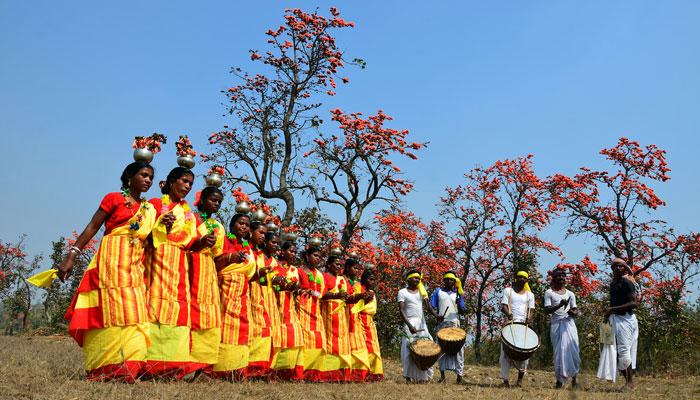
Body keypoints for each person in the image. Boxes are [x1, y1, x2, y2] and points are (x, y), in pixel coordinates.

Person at [60, 161, 156, 382]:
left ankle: (128, 368)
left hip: (134, 265)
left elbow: (150, 240)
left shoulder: (149, 209)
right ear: (129, 177)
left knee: (135, 314)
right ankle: (105, 369)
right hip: (111, 262)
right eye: (143, 175)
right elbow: (92, 227)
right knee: (110, 313)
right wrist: (71, 255)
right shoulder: (114, 198)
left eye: (150, 177)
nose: (148, 180)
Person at [144, 166, 198, 378]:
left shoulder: (189, 214)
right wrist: (160, 226)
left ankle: (173, 366)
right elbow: (142, 232)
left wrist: (203, 242)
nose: (187, 186)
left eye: (191, 184)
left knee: (177, 311)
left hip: (179, 265)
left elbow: (190, 241)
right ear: (171, 181)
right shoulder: (156, 204)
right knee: (155, 307)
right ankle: (150, 364)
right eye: (184, 181)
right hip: (156, 261)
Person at [187, 187, 225, 377]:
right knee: (190, 313)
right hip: (190, 265)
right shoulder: (190, 218)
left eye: (219, 201)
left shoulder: (218, 226)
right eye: (213, 200)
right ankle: (183, 363)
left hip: (209, 270)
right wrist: (200, 243)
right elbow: (183, 242)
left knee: (208, 315)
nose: (216, 204)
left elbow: (219, 255)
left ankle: (203, 367)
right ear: (202, 200)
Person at [212, 212, 255, 380]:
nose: (244, 227)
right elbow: (215, 261)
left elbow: (250, 271)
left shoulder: (247, 246)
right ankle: (220, 369)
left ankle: (237, 369)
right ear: (231, 225)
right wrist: (231, 257)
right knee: (226, 326)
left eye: (247, 225)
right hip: (226, 287)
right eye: (241, 223)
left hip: (243, 290)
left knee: (242, 328)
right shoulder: (225, 240)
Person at [600, 258, 639, 389]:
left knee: (623, 351)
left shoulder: (628, 282)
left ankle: (630, 383)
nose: (617, 268)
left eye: (620, 266)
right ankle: (625, 380)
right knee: (610, 349)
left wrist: (612, 310)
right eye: (614, 267)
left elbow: (634, 303)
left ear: (624, 268)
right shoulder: (613, 283)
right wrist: (608, 315)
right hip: (613, 319)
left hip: (625, 319)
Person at [269, 240, 304, 380]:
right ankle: (271, 371)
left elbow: (301, 288)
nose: (293, 254)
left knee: (295, 338)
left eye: (295, 252)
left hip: (290, 307)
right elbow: (271, 283)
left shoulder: (296, 270)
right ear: (283, 251)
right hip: (276, 306)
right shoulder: (275, 265)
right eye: (291, 251)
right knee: (277, 339)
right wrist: (282, 286)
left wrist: (296, 288)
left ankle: (289, 373)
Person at [246, 221, 275, 378]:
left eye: (265, 233)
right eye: (261, 233)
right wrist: (259, 273)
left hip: (260, 296)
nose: (263, 236)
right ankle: (246, 368)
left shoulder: (259, 254)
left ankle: (258, 369)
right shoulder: (245, 248)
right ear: (251, 231)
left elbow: (263, 280)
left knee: (264, 330)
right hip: (245, 295)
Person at [398, 270, 437, 383]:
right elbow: (401, 310)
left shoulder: (422, 292)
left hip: (421, 323)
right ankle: (408, 377)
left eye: (418, 278)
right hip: (409, 323)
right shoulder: (402, 292)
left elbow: (428, 307)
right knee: (409, 350)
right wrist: (409, 326)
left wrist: (436, 315)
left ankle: (424, 377)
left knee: (426, 349)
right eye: (414, 278)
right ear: (408, 279)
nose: (417, 280)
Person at [544, 269, 580, 389]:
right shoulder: (549, 293)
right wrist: (560, 305)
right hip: (556, 325)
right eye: (558, 276)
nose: (561, 278)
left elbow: (575, 310)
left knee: (573, 351)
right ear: (554, 278)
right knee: (559, 353)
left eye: (563, 276)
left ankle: (574, 380)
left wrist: (572, 312)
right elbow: (547, 309)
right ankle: (559, 381)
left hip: (569, 325)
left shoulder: (570, 294)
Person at [499, 270, 535, 387]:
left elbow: (531, 310)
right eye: (519, 277)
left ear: (526, 281)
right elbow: (503, 306)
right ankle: (505, 381)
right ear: (516, 278)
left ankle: (519, 380)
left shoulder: (530, 295)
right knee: (505, 354)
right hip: (510, 324)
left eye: (524, 278)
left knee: (525, 353)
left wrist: (529, 319)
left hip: (523, 326)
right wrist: (508, 314)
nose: (521, 279)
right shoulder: (508, 291)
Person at [297, 246, 328, 381]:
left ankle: (314, 374)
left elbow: (323, 292)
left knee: (319, 341)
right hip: (302, 309)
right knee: (304, 341)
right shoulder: (299, 271)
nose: (318, 258)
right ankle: (301, 373)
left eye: (319, 256)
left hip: (316, 310)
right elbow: (295, 289)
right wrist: (305, 291)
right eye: (315, 255)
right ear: (307, 256)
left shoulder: (320, 274)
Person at [320, 255, 352, 382]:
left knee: (343, 344)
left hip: (342, 316)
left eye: (340, 265)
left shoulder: (342, 279)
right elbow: (321, 294)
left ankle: (341, 375)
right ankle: (329, 375)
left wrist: (360, 296)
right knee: (330, 343)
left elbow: (349, 296)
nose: (339, 267)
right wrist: (336, 295)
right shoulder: (324, 276)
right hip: (328, 314)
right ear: (328, 264)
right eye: (336, 264)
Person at [430, 271, 466, 384]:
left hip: (455, 324)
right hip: (442, 324)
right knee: (441, 349)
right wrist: (437, 316)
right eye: (447, 279)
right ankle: (442, 375)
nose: (449, 281)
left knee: (459, 350)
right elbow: (431, 306)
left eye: (451, 279)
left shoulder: (458, 294)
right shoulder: (438, 292)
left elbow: (463, 310)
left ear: (454, 282)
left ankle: (459, 376)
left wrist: (460, 304)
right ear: (444, 280)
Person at [343, 258, 371, 382]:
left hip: (355, 317)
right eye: (355, 268)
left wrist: (366, 299)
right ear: (347, 268)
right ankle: (346, 373)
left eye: (359, 268)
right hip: (343, 315)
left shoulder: (357, 284)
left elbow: (359, 302)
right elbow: (345, 298)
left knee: (358, 345)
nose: (357, 270)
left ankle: (358, 375)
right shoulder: (342, 280)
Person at [358, 268, 384, 381]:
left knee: (374, 347)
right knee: (364, 347)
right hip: (360, 320)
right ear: (364, 279)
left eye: (374, 280)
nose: (372, 282)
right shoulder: (359, 289)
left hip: (370, 321)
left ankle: (375, 373)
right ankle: (364, 373)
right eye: (370, 279)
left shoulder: (372, 292)